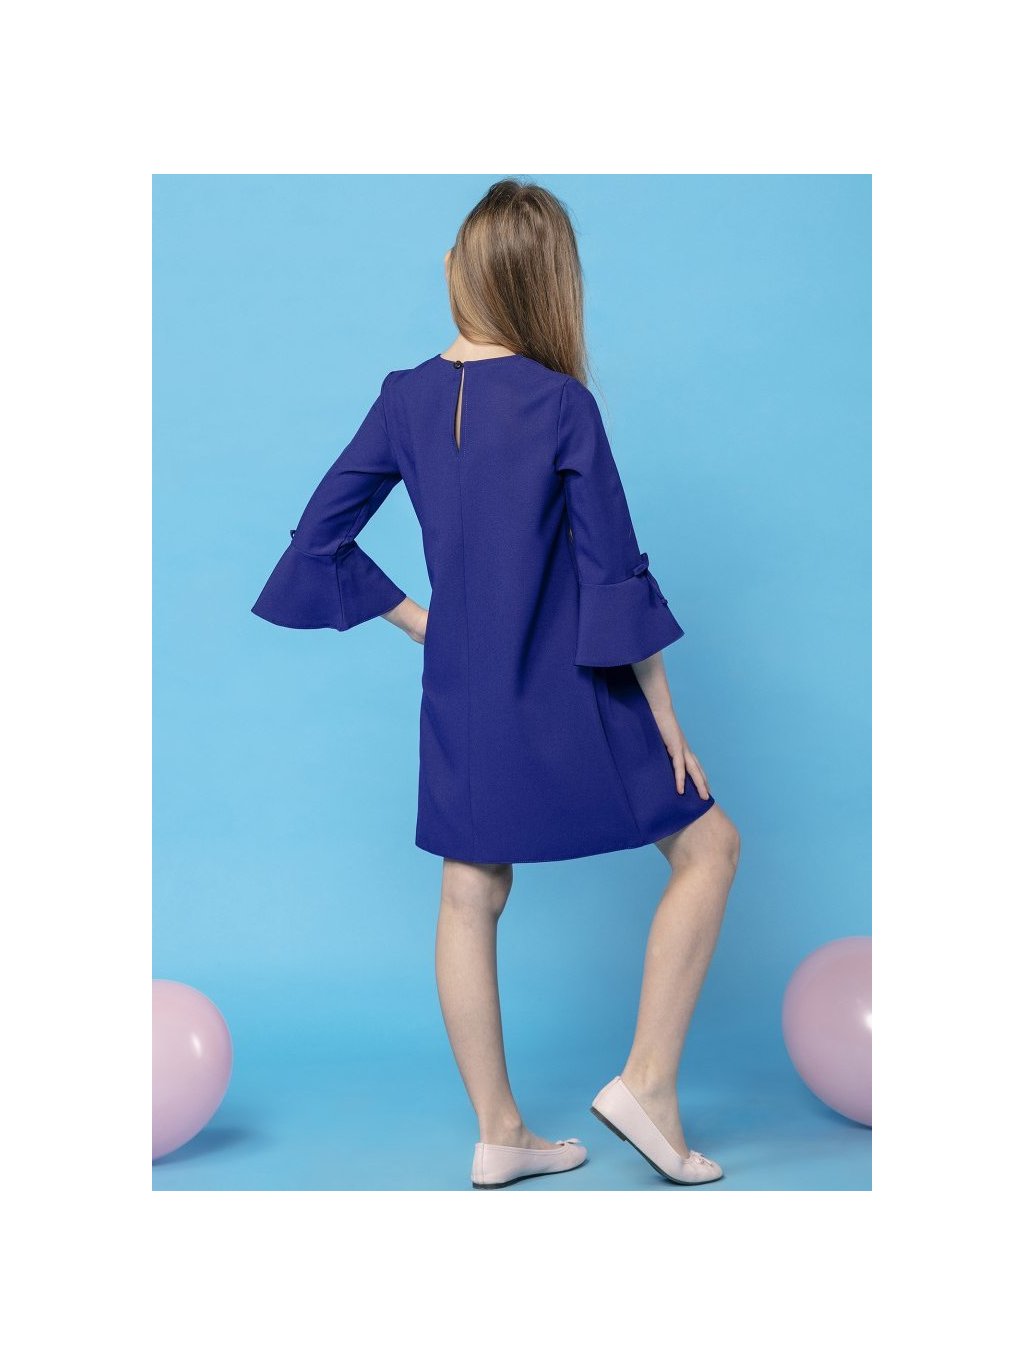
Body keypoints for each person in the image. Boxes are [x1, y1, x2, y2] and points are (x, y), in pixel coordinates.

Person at [251, 178, 741, 1190]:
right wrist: (665, 717)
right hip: (574, 685)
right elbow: (613, 573)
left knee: (470, 888)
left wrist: (426, 624)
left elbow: (316, 542)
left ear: (456, 271)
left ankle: (498, 1131)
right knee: (710, 846)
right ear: (548, 285)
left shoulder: (404, 397)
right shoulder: (562, 404)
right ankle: (647, 1085)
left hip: (464, 690)